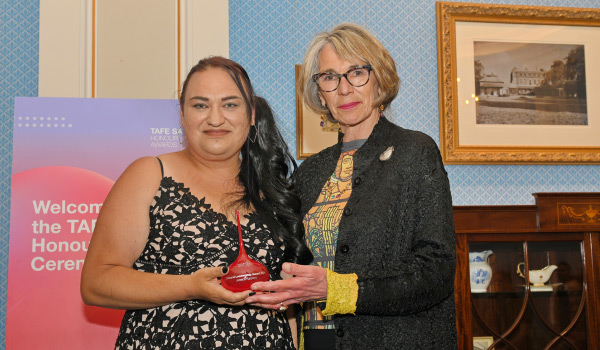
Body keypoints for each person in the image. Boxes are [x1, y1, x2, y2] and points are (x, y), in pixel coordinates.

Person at [246, 23, 457, 349]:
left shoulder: (415, 152)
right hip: (316, 339)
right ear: (319, 92)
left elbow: (436, 273)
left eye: (356, 72)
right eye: (329, 77)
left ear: (379, 79)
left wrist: (338, 291)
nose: (343, 88)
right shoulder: (311, 171)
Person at [80, 56, 312, 349]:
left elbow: (287, 305)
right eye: (200, 105)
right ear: (182, 114)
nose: (215, 118)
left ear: (251, 113)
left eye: (230, 104)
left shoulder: (275, 191)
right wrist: (190, 286)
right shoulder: (150, 174)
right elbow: (96, 284)